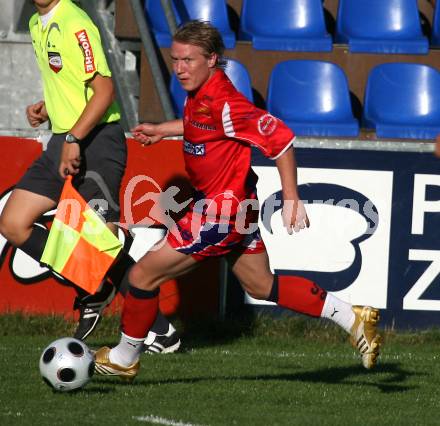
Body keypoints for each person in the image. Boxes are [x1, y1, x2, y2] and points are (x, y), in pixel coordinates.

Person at [93, 20, 382, 379]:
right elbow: (201, 123)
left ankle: (124, 358)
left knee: (141, 276)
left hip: (220, 212)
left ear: (212, 59)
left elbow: (282, 140)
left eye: (188, 60)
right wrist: (162, 129)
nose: (180, 68)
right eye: (176, 59)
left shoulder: (226, 102)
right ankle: (351, 316)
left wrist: (291, 197)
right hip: (235, 209)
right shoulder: (200, 93)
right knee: (261, 285)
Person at [0, 0, 180, 353]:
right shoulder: (39, 23)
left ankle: (161, 331)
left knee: (100, 248)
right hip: (64, 140)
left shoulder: (75, 21)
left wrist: (73, 139)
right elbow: (72, 86)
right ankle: (93, 285)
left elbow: (105, 92)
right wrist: (48, 107)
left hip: (96, 142)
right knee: (13, 222)